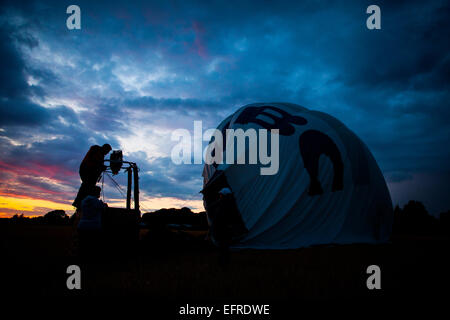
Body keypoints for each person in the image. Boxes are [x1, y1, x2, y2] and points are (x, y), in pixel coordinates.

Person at [72, 143, 112, 208]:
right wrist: (101, 166)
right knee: (87, 185)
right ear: (105, 148)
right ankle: (78, 203)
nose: (107, 153)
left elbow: (98, 164)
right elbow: (95, 161)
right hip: (86, 170)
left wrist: (101, 167)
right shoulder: (96, 149)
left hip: (90, 171)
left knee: (88, 186)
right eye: (107, 151)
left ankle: (81, 202)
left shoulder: (101, 154)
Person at [77, 186, 108, 260]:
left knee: (83, 246)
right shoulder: (96, 201)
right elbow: (104, 208)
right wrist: (104, 204)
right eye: (98, 192)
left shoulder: (84, 200)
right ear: (95, 192)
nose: (99, 194)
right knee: (92, 247)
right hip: (93, 226)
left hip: (82, 225)